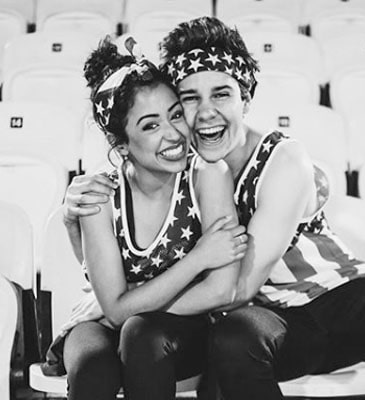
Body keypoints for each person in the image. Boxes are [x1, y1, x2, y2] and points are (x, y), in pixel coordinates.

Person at [64, 17, 365, 400]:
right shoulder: (179, 164)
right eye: (190, 99)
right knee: (233, 340)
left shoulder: (283, 159)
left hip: (332, 300)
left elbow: (236, 288)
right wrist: (73, 221)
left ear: (246, 98)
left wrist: (124, 308)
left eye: (221, 94)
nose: (205, 113)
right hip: (267, 323)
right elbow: (134, 249)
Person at [46, 37, 248, 400]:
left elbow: (221, 290)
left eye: (175, 115)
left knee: (140, 333)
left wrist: (132, 301)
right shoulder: (100, 195)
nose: (173, 134)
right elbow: (113, 311)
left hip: (178, 329)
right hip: (100, 321)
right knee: (92, 366)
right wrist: (198, 259)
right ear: (122, 144)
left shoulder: (208, 175)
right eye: (150, 126)